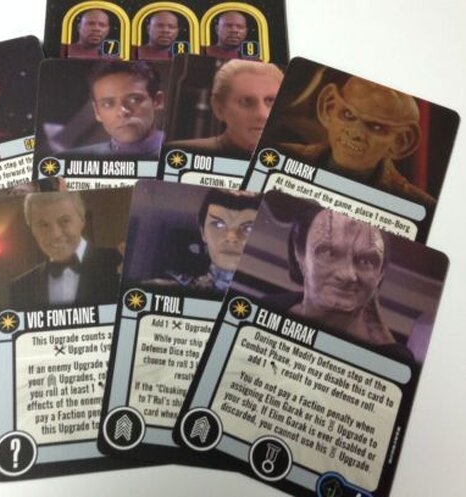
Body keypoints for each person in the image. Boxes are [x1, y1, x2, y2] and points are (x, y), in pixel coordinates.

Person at [265, 203, 413, 360]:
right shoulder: (270, 307)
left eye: (365, 261)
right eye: (328, 253)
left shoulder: (390, 360)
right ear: (300, 255)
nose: (348, 275)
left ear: (381, 273)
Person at [281, 76, 434, 206]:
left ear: (401, 142)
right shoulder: (281, 156)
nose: (355, 133)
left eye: (376, 127)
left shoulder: (418, 205)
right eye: (348, 115)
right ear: (328, 108)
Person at [10, 191, 121, 309]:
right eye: (43, 225)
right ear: (32, 230)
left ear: (82, 219)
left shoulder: (121, 262)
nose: (55, 235)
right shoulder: (20, 287)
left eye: (65, 221)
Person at [147, 189, 261, 296]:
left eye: (249, 228)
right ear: (203, 232)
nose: (232, 237)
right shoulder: (160, 291)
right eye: (218, 224)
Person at [168, 60, 283, 160]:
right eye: (246, 101)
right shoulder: (180, 154)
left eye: (271, 101)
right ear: (219, 108)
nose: (263, 115)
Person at [67, 61, 165, 159]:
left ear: (157, 101)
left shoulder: (172, 153)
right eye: (108, 104)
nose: (122, 112)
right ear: (97, 112)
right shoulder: (75, 159)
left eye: (134, 100)